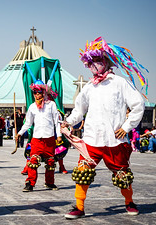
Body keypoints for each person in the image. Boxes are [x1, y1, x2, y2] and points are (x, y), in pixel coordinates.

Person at [63, 37, 146, 219]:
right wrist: (68, 121)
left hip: (114, 140)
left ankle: (129, 202)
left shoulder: (119, 83)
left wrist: (126, 126)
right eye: (90, 63)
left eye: (97, 61)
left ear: (106, 61)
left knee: (122, 176)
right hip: (92, 139)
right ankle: (79, 206)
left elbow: (138, 104)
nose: (93, 66)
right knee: (82, 172)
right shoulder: (89, 87)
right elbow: (79, 109)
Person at [17, 80, 62, 192]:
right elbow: (28, 123)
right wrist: (20, 133)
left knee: (50, 162)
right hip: (37, 139)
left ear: (44, 93)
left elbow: (56, 121)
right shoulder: (32, 107)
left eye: (39, 92)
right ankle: (30, 183)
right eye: (35, 93)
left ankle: (50, 182)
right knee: (33, 161)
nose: (36, 95)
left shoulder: (51, 105)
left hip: (49, 138)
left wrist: (59, 135)